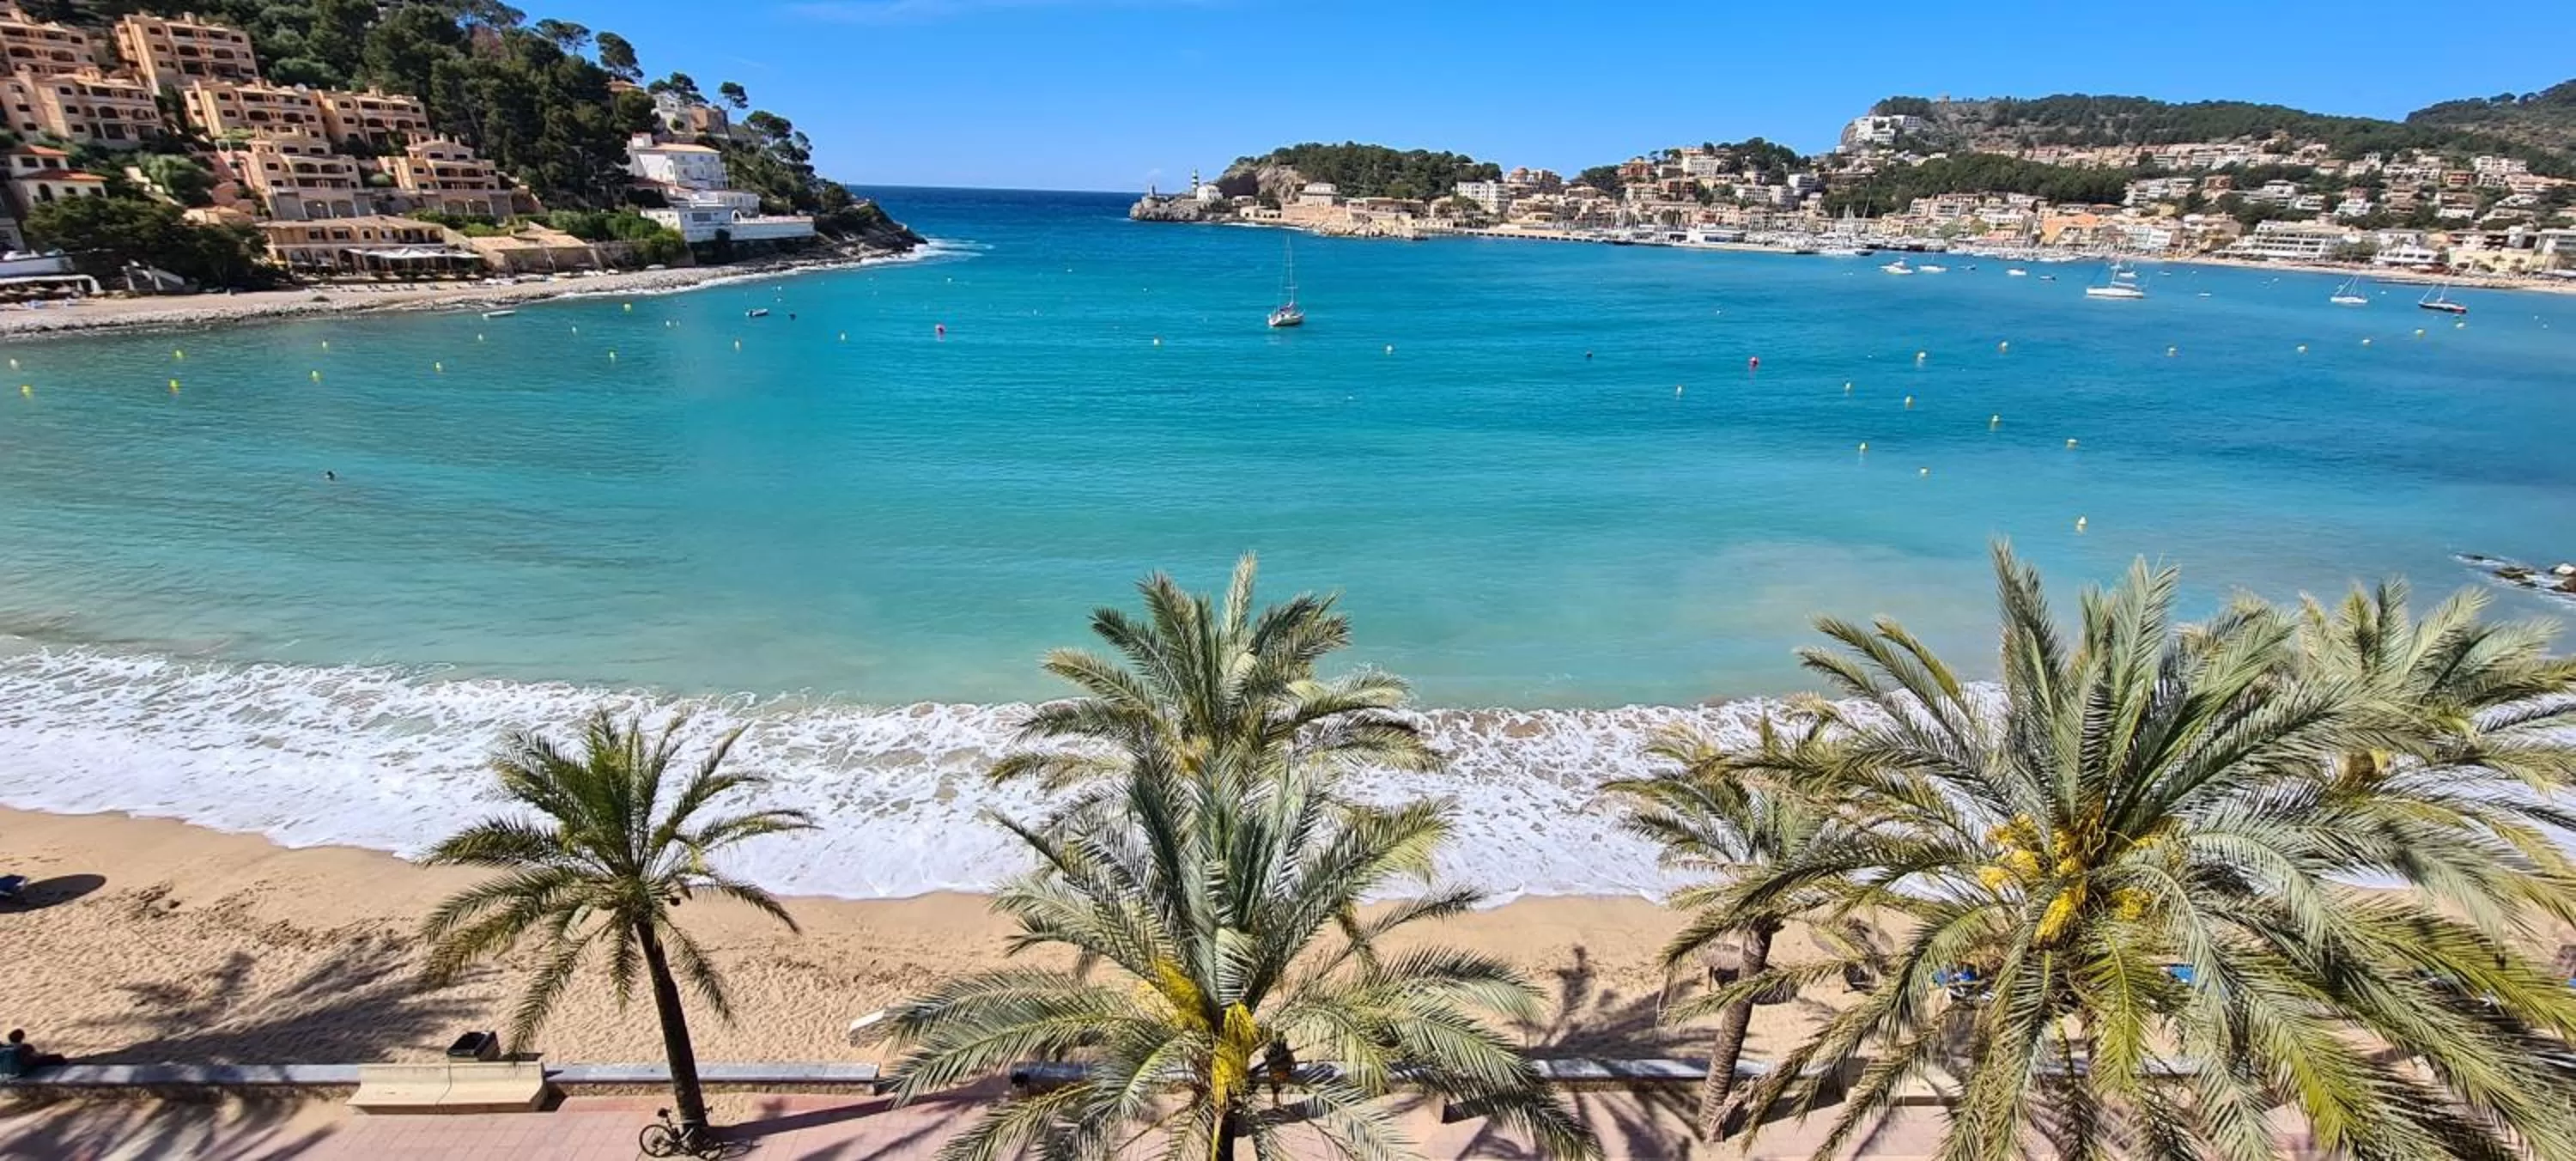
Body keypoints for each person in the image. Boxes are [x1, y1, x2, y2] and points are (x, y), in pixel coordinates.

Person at [1, 1030, 67, 1079]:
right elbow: (30, 1058)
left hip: (12, 1072)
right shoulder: (24, 1048)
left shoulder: (8, 1049)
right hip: (22, 1070)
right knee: (57, 1058)